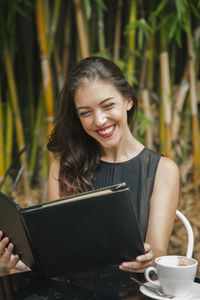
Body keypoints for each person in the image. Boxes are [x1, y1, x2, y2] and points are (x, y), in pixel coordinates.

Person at [0, 56, 179, 274]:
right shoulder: (62, 168)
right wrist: (18, 262)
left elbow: (159, 250)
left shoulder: (163, 170)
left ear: (128, 100)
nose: (100, 120)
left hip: (134, 290)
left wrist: (150, 259)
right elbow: (54, 254)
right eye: (86, 113)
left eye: (108, 106)